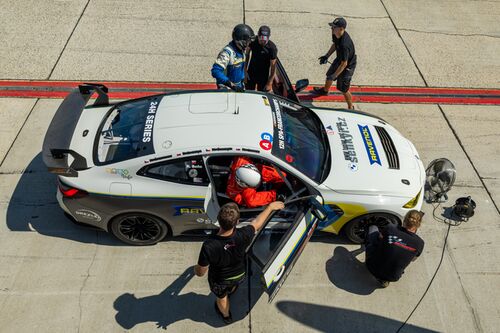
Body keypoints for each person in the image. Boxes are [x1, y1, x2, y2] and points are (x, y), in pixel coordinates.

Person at [194, 201, 284, 324]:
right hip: (240, 275)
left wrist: (196, 268)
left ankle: (226, 316)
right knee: (232, 285)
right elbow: (257, 223)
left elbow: (200, 272)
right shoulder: (244, 234)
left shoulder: (209, 245)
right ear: (237, 222)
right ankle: (232, 290)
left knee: (222, 297)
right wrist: (270, 207)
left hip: (220, 281)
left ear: (218, 220)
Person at [365, 210, 425, 288]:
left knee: (373, 229)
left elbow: (379, 237)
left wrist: (392, 243)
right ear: (419, 225)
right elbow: (413, 259)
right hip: (393, 277)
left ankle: (369, 255)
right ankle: (384, 281)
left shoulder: (391, 228)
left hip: (371, 266)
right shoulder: (420, 243)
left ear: (404, 220)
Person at [313, 17, 357, 109]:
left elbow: (344, 64)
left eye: (334, 27)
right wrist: (326, 56)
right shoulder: (336, 34)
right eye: (332, 26)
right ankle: (325, 91)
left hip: (348, 66)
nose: (332, 28)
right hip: (340, 60)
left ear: (341, 29)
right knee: (329, 75)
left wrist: (335, 75)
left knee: (343, 89)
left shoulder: (345, 45)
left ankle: (351, 106)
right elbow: (334, 45)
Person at [211, 24, 255, 92]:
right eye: (247, 41)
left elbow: (240, 68)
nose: (249, 44)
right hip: (227, 90)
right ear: (241, 40)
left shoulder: (241, 50)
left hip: (238, 87)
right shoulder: (227, 53)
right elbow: (215, 71)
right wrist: (231, 85)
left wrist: (243, 78)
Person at [245, 25, 278, 92]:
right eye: (260, 39)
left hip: (263, 75)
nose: (262, 42)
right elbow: (247, 55)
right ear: (258, 36)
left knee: (262, 94)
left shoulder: (272, 48)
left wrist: (270, 82)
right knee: (249, 92)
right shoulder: (253, 41)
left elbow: (273, 67)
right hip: (251, 72)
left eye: (264, 41)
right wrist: (244, 71)